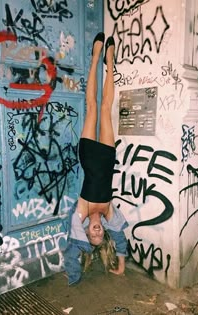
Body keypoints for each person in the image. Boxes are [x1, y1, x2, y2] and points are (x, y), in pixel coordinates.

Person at [63, 32, 129, 285]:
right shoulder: (107, 213)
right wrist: (121, 265)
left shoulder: (82, 211)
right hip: (107, 156)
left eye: (93, 236)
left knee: (92, 105)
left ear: (87, 233)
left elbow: (73, 249)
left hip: (89, 154)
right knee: (106, 109)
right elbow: (120, 239)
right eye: (101, 236)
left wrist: (75, 274)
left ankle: (94, 58)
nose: (97, 233)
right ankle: (110, 60)